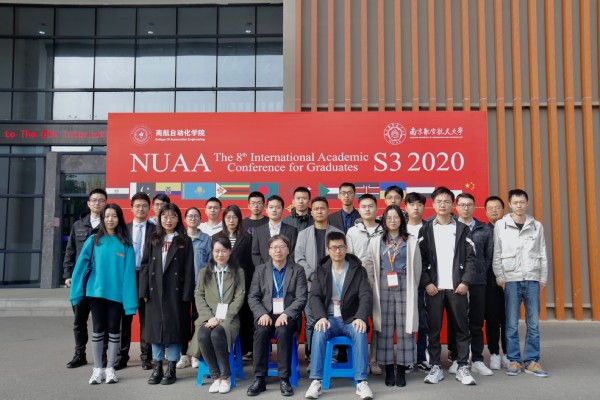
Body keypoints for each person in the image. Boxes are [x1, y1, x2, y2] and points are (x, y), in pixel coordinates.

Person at [69, 203, 137, 385]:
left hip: (116, 295)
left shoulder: (126, 244)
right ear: (102, 218)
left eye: (114, 216)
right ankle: (97, 369)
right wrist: (76, 292)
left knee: (114, 330)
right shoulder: (93, 240)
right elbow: (80, 267)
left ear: (119, 219)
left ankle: (110, 368)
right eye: (107, 216)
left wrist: (130, 302)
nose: (110, 219)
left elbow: (129, 276)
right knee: (98, 330)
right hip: (95, 293)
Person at [418, 186, 477, 385]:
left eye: (446, 201)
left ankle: (462, 366)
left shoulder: (462, 229)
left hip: (457, 288)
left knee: (461, 328)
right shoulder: (426, 229)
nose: (442, 205)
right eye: (438, 201)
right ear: (433, 204)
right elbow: (420, 259)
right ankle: (435, 366)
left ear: (453, 204)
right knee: (433, 330)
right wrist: (427, 283)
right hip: (434, 289)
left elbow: (471, 258)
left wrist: (465, 282)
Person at [305, 232, 374, 400]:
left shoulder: (358, 270)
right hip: (329, 318)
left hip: (351, 318)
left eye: (341, 247)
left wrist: (361, 317)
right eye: (334, 248)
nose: (338, 251)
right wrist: (320, 317)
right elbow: (314, 297)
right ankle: (316, 381)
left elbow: (366, 295)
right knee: (319, 331)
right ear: (327, 250)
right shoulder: (321, 270)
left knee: (360, 332)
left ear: (346, 248)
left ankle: (361, 382)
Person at [363, 205, 422, 387]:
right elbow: (369, 264)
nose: (392, 221)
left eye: (396, 217)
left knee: (405, 328)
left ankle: (402, 370)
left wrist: (412, 285)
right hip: (382, 285)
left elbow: (417, 267)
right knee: (384, 328)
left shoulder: (410, 240)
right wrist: (372, 284)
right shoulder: (376, 241)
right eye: (388, 218)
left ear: (402, 220)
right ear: (384, 220)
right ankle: (389, 369)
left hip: (405, 284)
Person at [493, 189, 549, 378]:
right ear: (509, 204)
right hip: (511, 279)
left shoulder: (536, 225)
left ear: (527, 203)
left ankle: (532, 361)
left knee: (533, 324)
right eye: (515, 202)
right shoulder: (501, 225)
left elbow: (542, 253)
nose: (519, 205)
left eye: (522, 202)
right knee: (511, 324)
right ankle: (514, 360)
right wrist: (499, 276)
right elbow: (497, 253)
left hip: (532, 278)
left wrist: (543, 277)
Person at [139, 203, 195, 385]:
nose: (168, 220)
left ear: (178, 219)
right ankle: (157, 367)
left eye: (172, 216)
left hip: (175, 292)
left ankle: (171, 367)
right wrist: (144, 290)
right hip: (154, 291)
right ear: (159, 218)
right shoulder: (153, 238)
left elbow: (189, 269)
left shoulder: (184, 240)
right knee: (155, 330)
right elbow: (145, 265)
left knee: (174, 330)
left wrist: (187, 295)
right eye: (165, 216)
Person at [246, 235, 308, 397]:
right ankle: (259, 378)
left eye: (282, 247)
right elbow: (253, 297)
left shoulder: (297, 270)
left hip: (288, 316)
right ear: (269, 251)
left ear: (288, 250)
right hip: (266, 313)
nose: (278, 250)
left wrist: (287, 313)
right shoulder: (260, 270)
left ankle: (284, 378)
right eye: (274, 247)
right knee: (261, 331)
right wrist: (261, 313)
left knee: (283, 330)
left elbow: (301, 297)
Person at [447, 193, 494, 376]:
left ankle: (477, 359)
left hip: (478, 281)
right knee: (456, 322)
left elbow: (488, 256)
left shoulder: (484, 229)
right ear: (456, 207)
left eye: (469, 205)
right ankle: (457, 358)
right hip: (455, 282)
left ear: (474, 207)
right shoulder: (450, 228)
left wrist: (477, 273)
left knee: (476, 322)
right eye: (462, 205)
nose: (466, 208)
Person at [294, 197, 342, 367]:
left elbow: (342, 257)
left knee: (332, 319)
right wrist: (314, 276)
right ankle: (314, 357)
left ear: (328, 211)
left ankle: (332, 356)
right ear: (311, 212)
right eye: (316, 209)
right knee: (312, 321)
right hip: (310, 286)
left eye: (323, 208)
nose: (320, 211)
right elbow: (299, 259)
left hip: (333, 286)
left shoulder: (338, 233)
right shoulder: (303, 234)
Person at [63, 188, 108, 369]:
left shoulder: (109, 224)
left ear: (105, 203)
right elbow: (70, 251)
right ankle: (79, 354)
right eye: (94, 200)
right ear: (88, 203)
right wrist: (67, 274)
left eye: (101, 200)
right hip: (80, 281)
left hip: (100, 281)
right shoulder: (78, 225)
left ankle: (103, 354)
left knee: (101, 320)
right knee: (79, 321)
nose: (97, 203)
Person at [196, 236, 246, 394]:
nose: (220, 255)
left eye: (224, 251)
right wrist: (209, 317)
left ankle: (226, 377)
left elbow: (239, 298)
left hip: (229, 319)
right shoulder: (204, 272)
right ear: (212, 252)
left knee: (217, 334)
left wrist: (221, 318)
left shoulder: (238, 272)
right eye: (217, 251)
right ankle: (215, 377)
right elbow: (199, 295)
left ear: (230, 252)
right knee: (203, 334)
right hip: (208, 318)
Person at [116, 192, 155, 371]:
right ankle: (122, 356)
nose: (141, 209)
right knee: (125, 318)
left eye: (144, 206)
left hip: (147, 278)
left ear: (149, 208)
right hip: (127, 278)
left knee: (147, 319)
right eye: (137, 206)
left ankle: (146, 357)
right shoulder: (123, 229)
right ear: (131, 208)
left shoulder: (156, 230)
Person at [345, 193, 383, 376]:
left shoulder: (384, 230)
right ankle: (358, 359)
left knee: (377, 322)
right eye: (364, 206)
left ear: (376, 208)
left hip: (380, 282)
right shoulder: (352, 232)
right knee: (356, 320)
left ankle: (374, 359)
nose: (367, 209)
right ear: (359, 210)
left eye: (371, 206)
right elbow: (349, 258)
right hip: (357, 283)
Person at [214, 205, 255, 361]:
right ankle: (223, 347)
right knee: (222, 314)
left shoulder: (247, 237)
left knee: (242, 314)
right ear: (224, 219)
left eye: (234, 217)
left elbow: (250, 263)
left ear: (239, 219)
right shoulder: (216, 237)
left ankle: (244, 349)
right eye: (228, 217)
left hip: (241, 282)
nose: (231, 220)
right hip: (221, 282)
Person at [176, 207, 212, 369]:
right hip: (181, 287)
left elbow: (210, 263)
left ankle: (196, 354)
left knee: (199, 320)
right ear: (184, 219)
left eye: (196, 216)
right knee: (182, 321)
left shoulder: (206, 239)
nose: (193, 218)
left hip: (201, 286)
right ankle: (183, 354)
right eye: (190, 216)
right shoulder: (178, 239)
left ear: (200, 219)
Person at [403, 192, 430, 372]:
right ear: (405, 207)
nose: (416, 208)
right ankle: (408, 358)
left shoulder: (429, 228)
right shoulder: (400, 228)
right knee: (406, 322)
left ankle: (422, 357)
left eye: (419, 204)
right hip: (403, 283)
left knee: (423, 322)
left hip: (424, 282)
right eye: (412, 204)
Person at [484, 195, 509, 369]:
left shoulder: (509, 229)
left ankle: (508, 353)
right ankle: (494, 353)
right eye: (490, 208)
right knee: (492, 320)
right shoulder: (482, 231)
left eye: (497, 207)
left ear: (503, 210)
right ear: (485, 212)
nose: (494, 210)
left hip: (510, 280)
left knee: (508, 320)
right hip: (489, 283)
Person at [252, 195, 298, 266]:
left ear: (283, 210)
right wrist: (263, 269)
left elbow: (293, 253)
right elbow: (255, 253)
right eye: (271, 207)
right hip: (263, 271)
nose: (274, 210)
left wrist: (285, 268)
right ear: (266, 210)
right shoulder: (258, 231)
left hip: (286, 270)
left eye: (278, 207)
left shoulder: (292, 230)